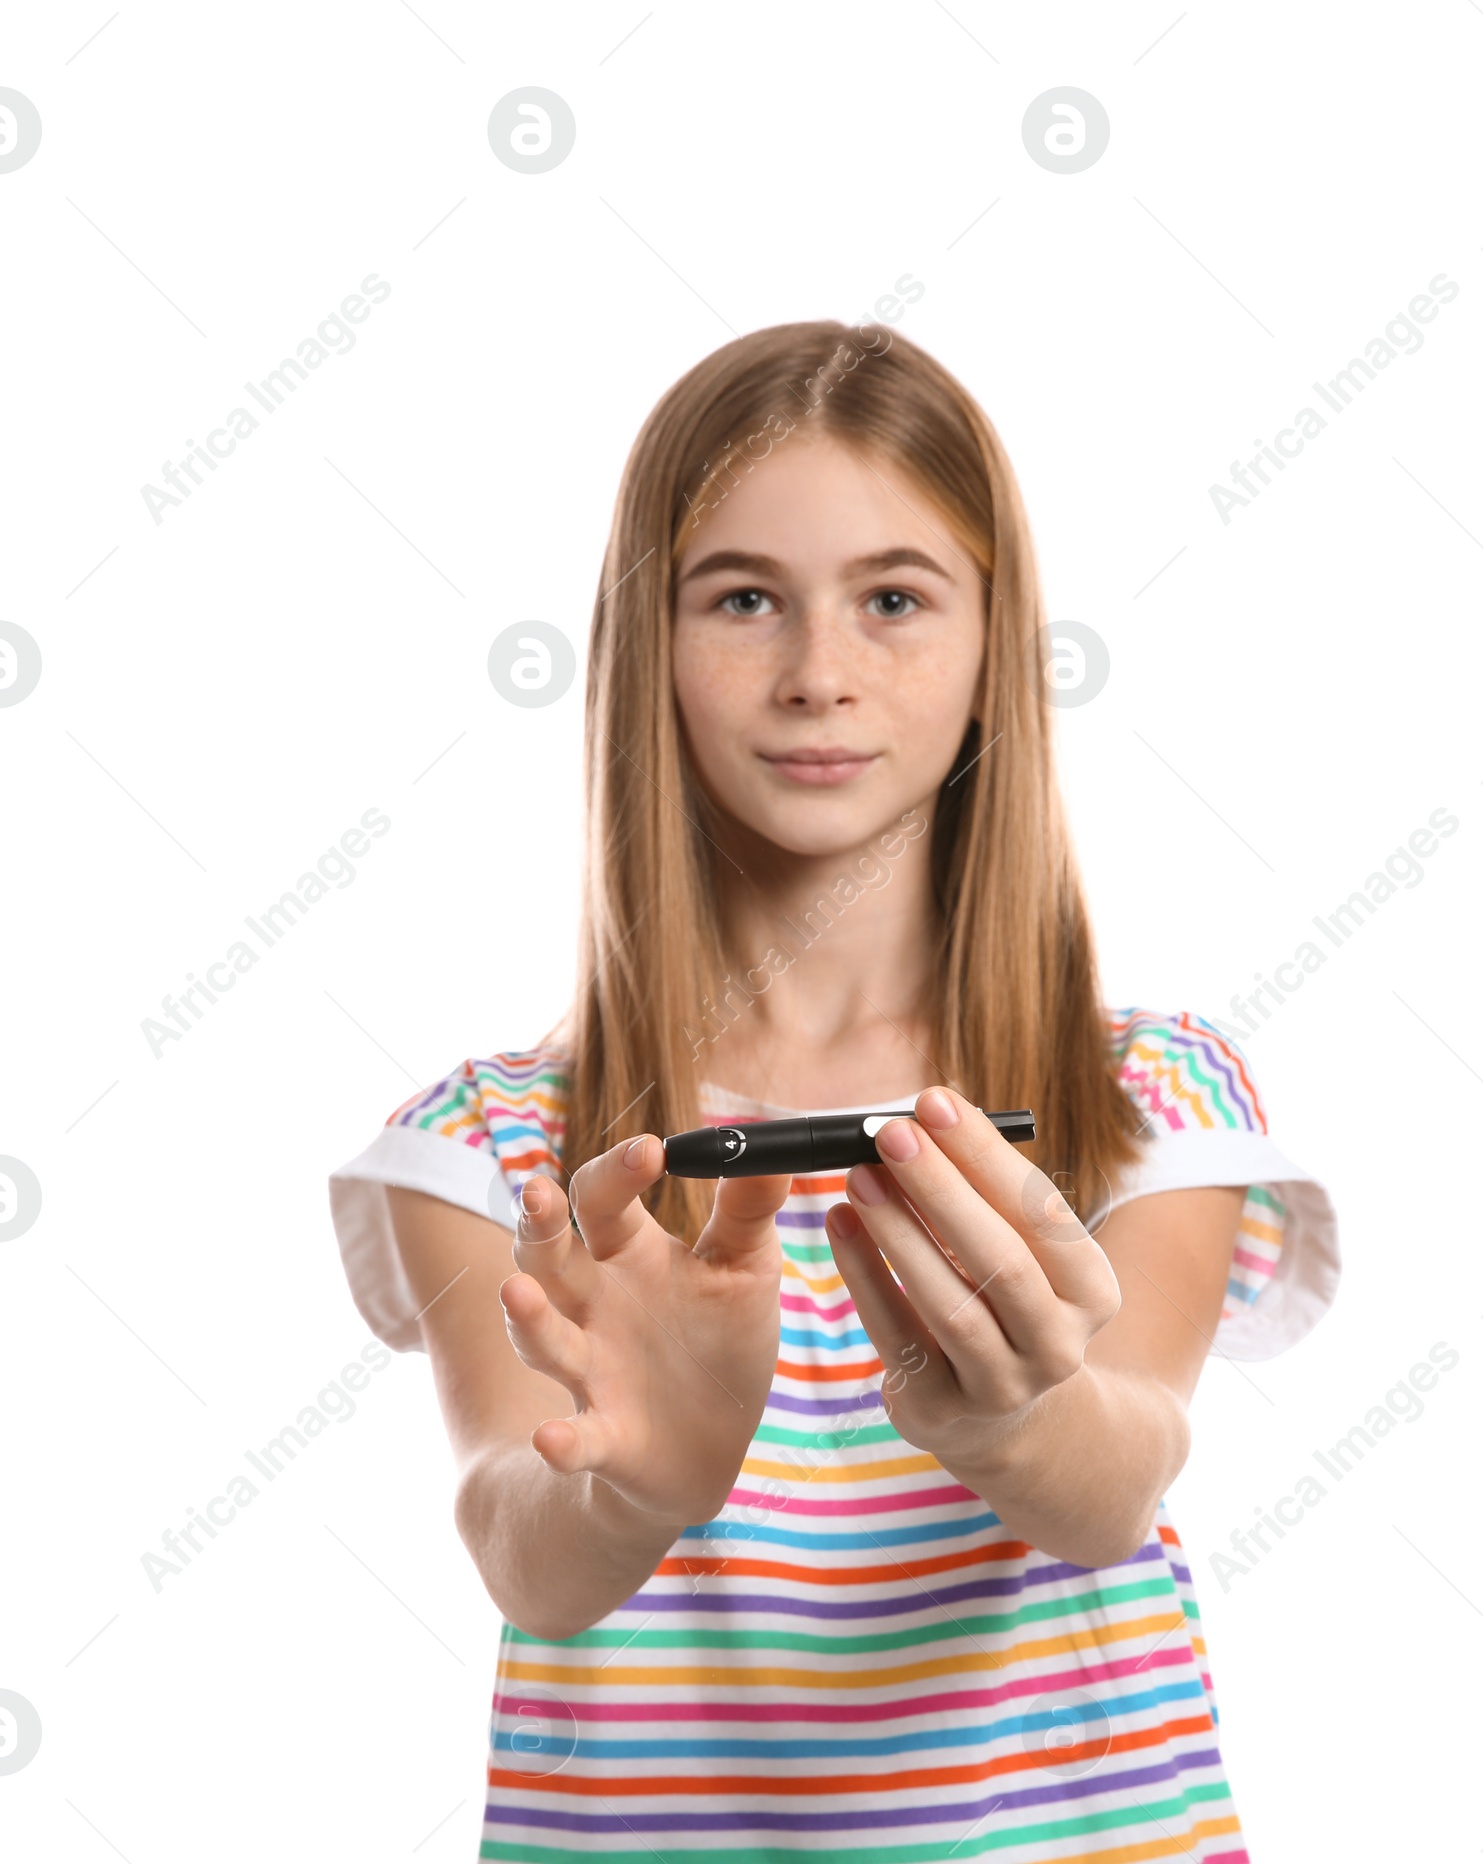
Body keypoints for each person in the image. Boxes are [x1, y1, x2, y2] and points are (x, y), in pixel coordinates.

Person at [329, 319, 1340, 1861]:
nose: (820, 676)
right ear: (644, 651)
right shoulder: (493, 1146)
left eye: (894, 599)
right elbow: (518, 1547)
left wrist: (1016, 1410)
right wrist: (639, 1485)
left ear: (997, 650)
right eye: (745, 599)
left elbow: (1116, 1480)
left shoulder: (1146, 1094)